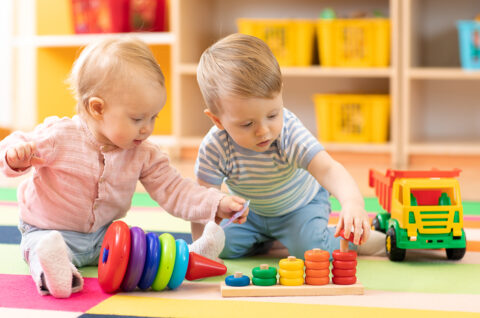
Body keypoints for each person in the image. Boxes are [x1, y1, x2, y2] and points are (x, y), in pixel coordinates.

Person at [0, 37, 248, 298]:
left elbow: (175, 189)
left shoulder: (143, 152)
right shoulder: (59, 136)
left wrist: (215, 204)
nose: (147, 128)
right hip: (47, 230)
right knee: (41, 248)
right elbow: (14, 146)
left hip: (103, 237)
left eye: (154, 117)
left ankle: (192, 256)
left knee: (143, 254)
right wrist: (15, 156)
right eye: (137, 118)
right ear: (97, 109)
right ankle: (60, 276)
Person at [192, 33, 385, 260]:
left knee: (314, 251)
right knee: (220, 246)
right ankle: (265, 240)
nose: (263, 130)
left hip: (300, 207)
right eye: (247, 123)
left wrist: (353, 203)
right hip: (250, 213)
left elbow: (329, 169)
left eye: (273, 114)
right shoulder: (214, 147)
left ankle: (361, 239)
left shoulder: (289, 133)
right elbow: (203, 202)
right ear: (217, 120)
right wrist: (201, 248)